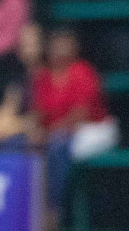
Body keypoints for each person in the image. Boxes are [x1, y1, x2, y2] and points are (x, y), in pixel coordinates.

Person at [34, 27, 116, 217]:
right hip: (56, 133)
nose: (60, 49)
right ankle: (30, 209)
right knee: (29, 145)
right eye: (56, 44)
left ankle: (53, 211)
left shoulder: (82, 71)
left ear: (74, 47)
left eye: (65, 44)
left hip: (93, 129)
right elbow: (39, 113)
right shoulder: (44, 76)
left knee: (57, 145)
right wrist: (38, 130)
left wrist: (49, 133)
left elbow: (80, 115)